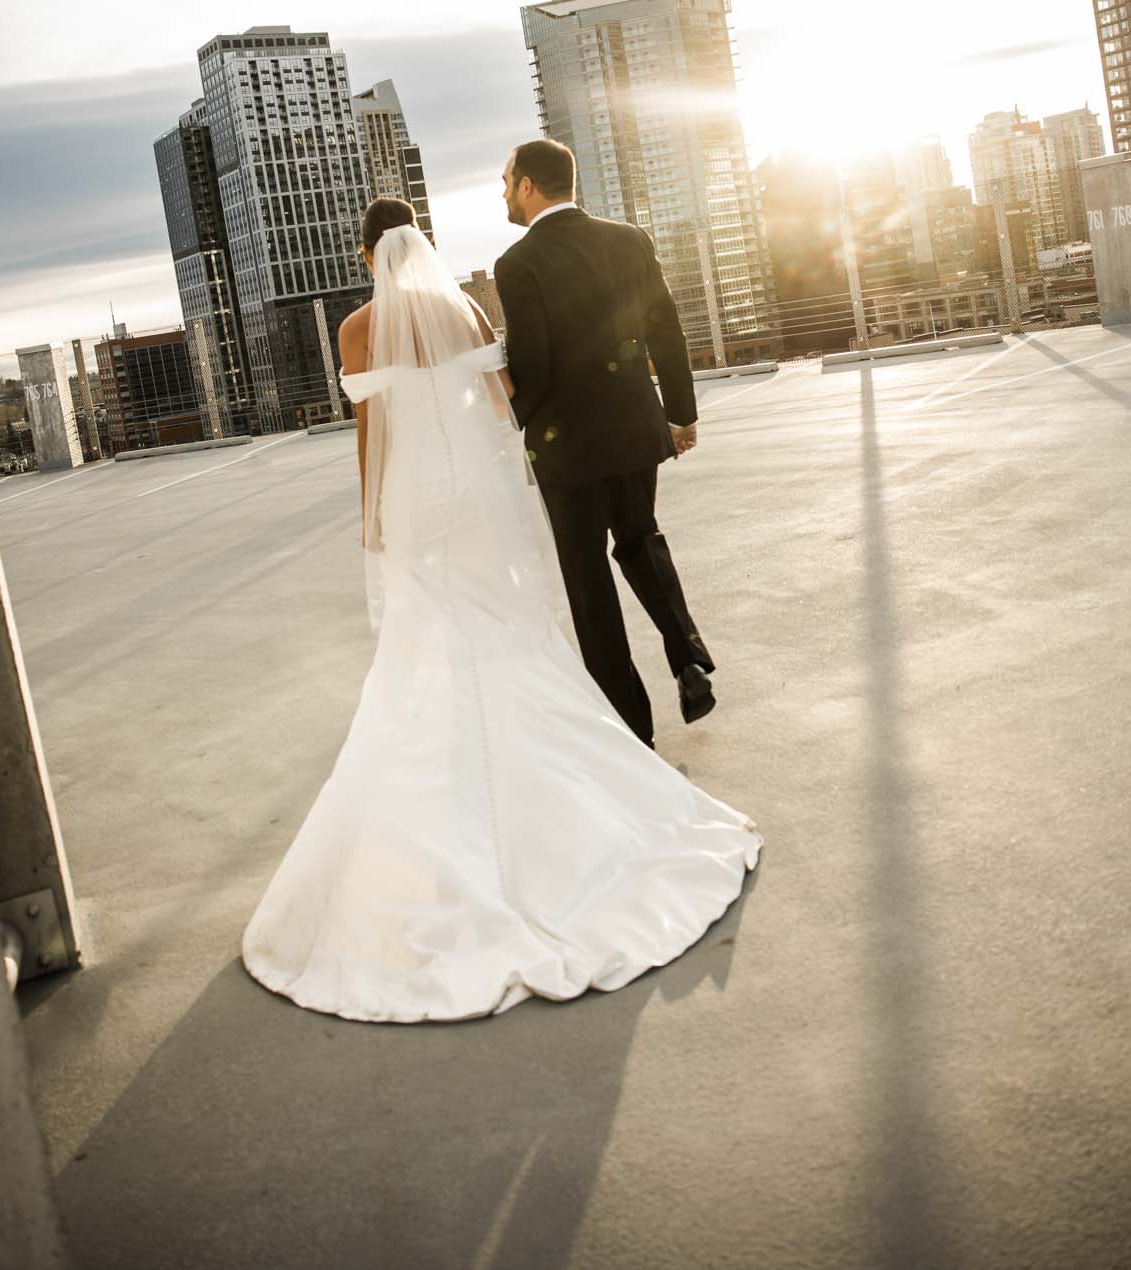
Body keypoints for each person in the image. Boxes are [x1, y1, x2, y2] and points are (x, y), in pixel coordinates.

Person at [240, 197, 760, 1024]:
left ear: (367, 253)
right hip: (474, 500)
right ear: (424, 247)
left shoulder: (355, 327)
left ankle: (451, 781)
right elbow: (503, 399)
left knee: (429, 641)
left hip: (414, 496)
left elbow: (369, 429)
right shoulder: (464, 307)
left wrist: (371, 510)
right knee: (508, 633)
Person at [494, 138, 714, 748]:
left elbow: (534, 365)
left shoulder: (518, 264)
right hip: (635, 426)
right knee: (640, 537)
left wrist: (511, 410)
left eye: (507, 182)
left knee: (588, 581)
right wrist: (680, 412)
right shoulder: (628, 238)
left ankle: (632, 733)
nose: (504, 194)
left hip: (567, 447)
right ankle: (689, 657)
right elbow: (664, 326)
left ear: (530, 186)